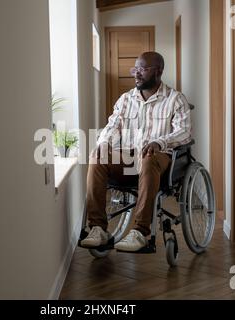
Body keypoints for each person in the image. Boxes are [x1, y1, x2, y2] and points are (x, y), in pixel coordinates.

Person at [81, 52, 192, 252]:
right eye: (135, 69)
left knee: (149, 157)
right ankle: (97, 228)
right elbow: (112, 126)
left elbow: (183, 132)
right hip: (129, 158)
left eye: (142, 69)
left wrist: (159, 142)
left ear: (158, 71)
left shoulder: (176, 99)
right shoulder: (125, 100)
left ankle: (140, 231)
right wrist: (105, 142)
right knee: (97, 156)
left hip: (160, 159)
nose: (136, 74)